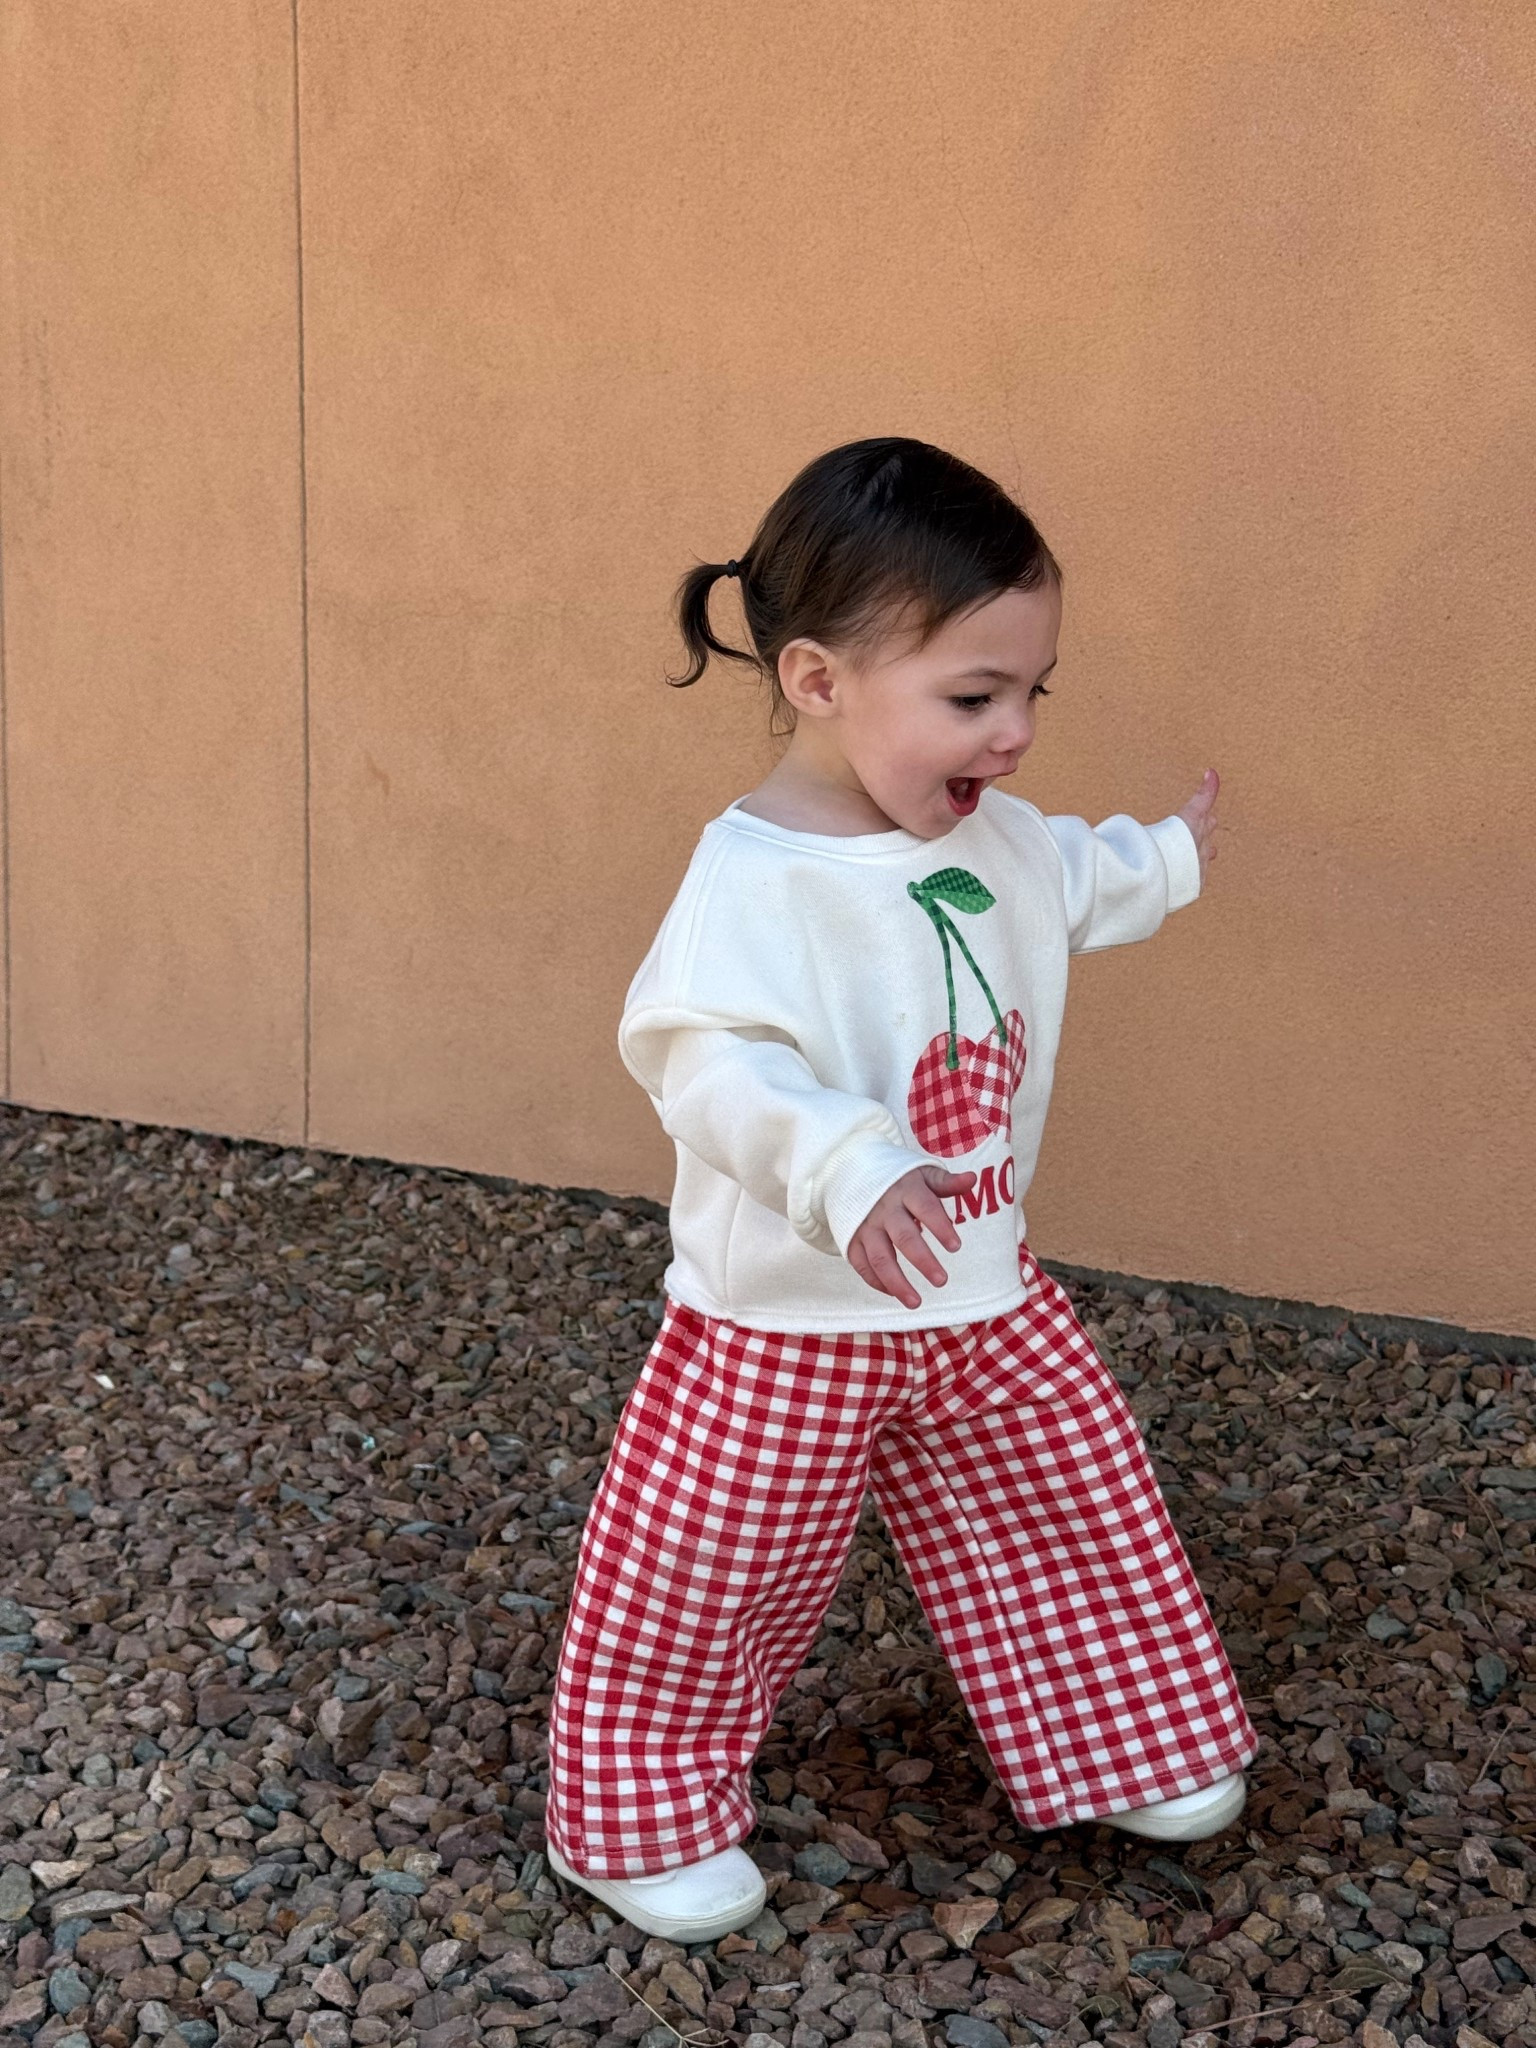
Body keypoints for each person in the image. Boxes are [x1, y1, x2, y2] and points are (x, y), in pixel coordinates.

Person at [543, 438, 1258, 1942]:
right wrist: (850, 1163)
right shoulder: (753, 884)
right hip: (786, 1318)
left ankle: (1126, 1736)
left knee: (1071, 1501)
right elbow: (703, 1060)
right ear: (816, 681)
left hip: (980, 1291)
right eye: (972, 698)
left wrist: (1170, 856)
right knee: (712, 1563)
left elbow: (1066, 874)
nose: (1011, 737)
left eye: (1031, 695)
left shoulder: (987, 837)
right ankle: (634, 1807)